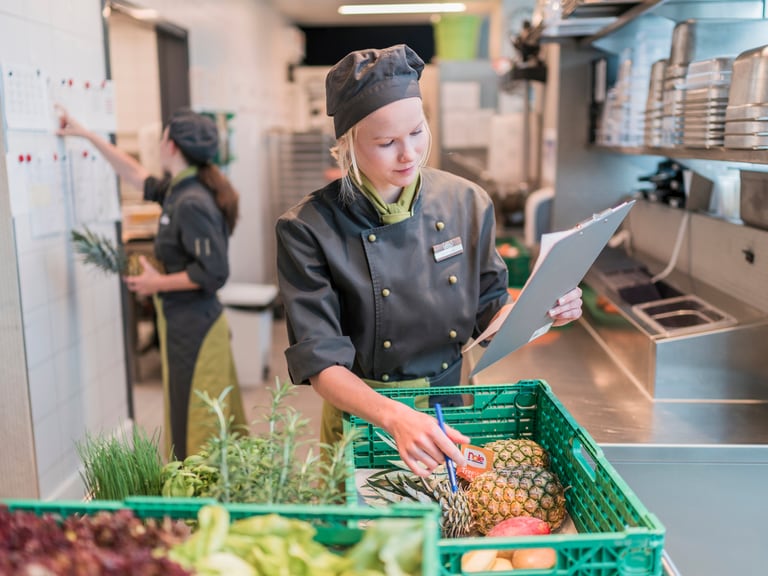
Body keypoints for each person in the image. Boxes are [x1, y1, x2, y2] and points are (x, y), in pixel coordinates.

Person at [275, 44, 582, 477]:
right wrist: (394, 416)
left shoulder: (466, 202)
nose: (408, 155)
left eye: (417, 133)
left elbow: (489, 313)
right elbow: (322, 364)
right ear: (348, 144)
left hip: (453, 410)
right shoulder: (308, 229)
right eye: (386, 142)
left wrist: (542, 311)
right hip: (367, 420)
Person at [57, 106, 247, 460]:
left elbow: (213, 272)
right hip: (181, 323)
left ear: (171, 146)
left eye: (162, 136)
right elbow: (135, 175)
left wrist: (156, 283)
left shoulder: (192, 201)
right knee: (185, 412)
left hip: (198, 329)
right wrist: (87, 135)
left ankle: (197, 507)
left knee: (198, 421)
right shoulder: (180, 187)